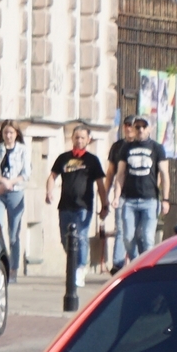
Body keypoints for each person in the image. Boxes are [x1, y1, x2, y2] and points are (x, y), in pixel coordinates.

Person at [50, 124, 106, 300]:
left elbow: (100, 185)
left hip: (84, 206)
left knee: (81, 236)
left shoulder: (92, 160)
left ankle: (80, 268)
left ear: (88, 139)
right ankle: (74, 264)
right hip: (65, 205)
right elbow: (52, 176)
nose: (79, 140)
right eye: (76, 137)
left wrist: (104, 205)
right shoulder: (63, 158)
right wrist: (49, 191)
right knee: (65, 238)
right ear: (72, 138)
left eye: (82, 137)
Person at [104, 116, 167, 268]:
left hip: (150, 200)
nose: (140, 130)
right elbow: (119, 174)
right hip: (129, 200)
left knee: (147, 237)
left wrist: (165, 199)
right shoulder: (126, 148)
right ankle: (135, 263)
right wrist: (116, 196)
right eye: (137, 127)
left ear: (149, 129)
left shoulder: (157, 148)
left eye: (143, 127)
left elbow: (164, 174)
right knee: (127, 237)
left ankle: (147, 267)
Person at [0, 121, 29, 274]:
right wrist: (2, 181)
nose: (8, 136)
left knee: (14, 234)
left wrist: (10, 183)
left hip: (15, 192)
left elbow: (26, 173)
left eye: (11, 133)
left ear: (16, 134)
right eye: (6, 133)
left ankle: (13, 268)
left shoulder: (23, 150)